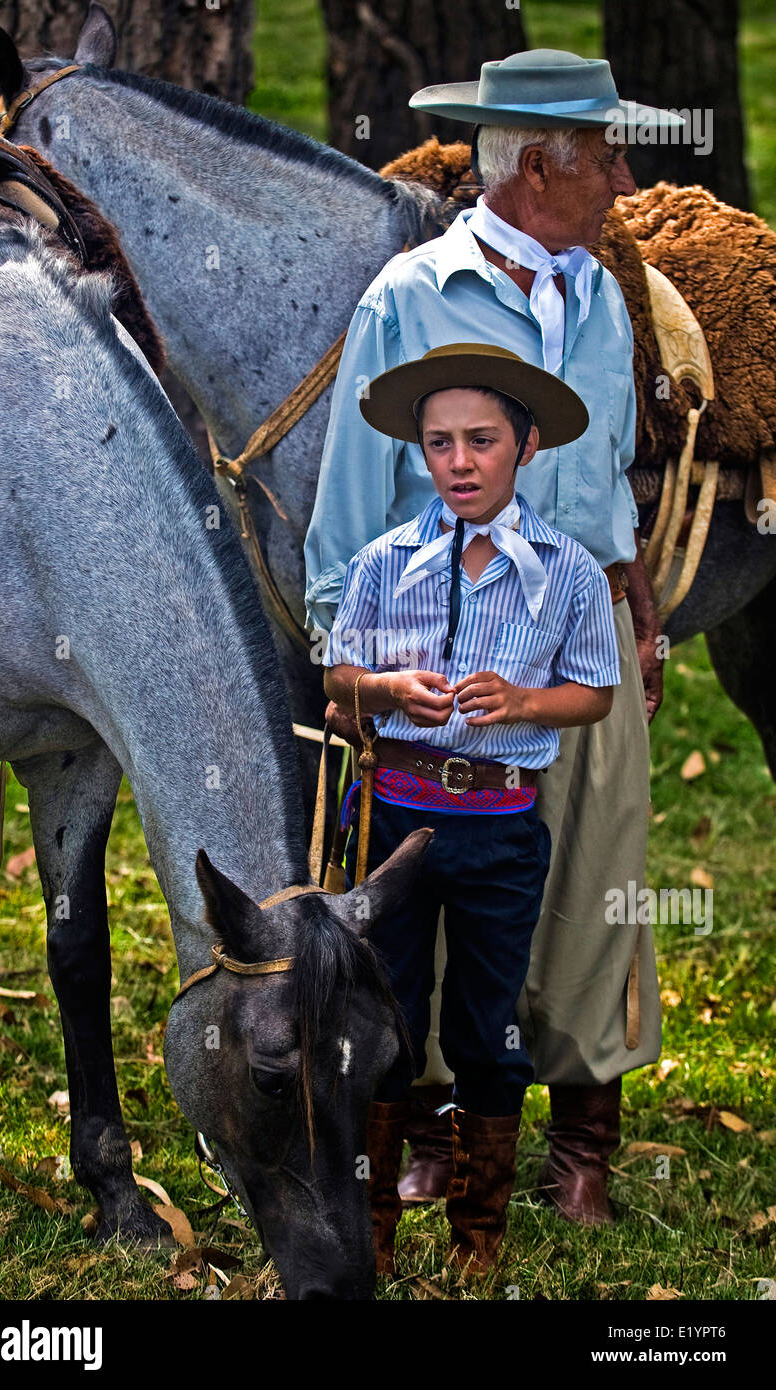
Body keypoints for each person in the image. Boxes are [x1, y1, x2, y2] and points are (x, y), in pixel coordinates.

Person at [306, 50, 682, 1225]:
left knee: (593, 880)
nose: (624, 179)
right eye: (607, 155)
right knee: (427, 885)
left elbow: (607, 480)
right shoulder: (410, 299)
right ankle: (426, 1126)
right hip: (443, 648)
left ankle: (580, 1140)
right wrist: (354, 681)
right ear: (537, 167)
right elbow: (348, 507)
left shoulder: (606, 296)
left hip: (584, 638)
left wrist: (634, 609)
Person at [323, 342, 619, 1272]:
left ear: (525, 447)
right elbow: (335, 678)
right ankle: (368, 1223)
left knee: (486, 1022)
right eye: (438, 442)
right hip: (394, 824)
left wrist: (526, 703)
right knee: (385, 1020)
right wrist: (381, 688)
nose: (458, 462)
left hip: (499, 829)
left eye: (480, 440)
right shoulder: (381, 563)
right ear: (419, 452)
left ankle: (477, 1234)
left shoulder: (568, 571)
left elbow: (596, 691)